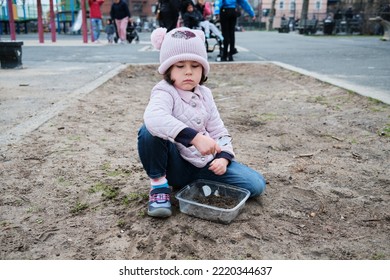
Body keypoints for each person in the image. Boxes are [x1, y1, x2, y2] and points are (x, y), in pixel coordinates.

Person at [138, 27, 266, 218]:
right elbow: (154, 117)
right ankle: (159, 187)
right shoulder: (164, 91)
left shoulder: (205, 94)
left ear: (203, 69)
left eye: (195, 66)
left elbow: (218, 130)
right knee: (148, 131)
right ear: (168, 69)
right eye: (180, 66)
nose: (188, 72)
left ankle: (200, 183)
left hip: (206, 164)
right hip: (176, 166)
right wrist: (195, 138)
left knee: (255, 184)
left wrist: (223, 157)